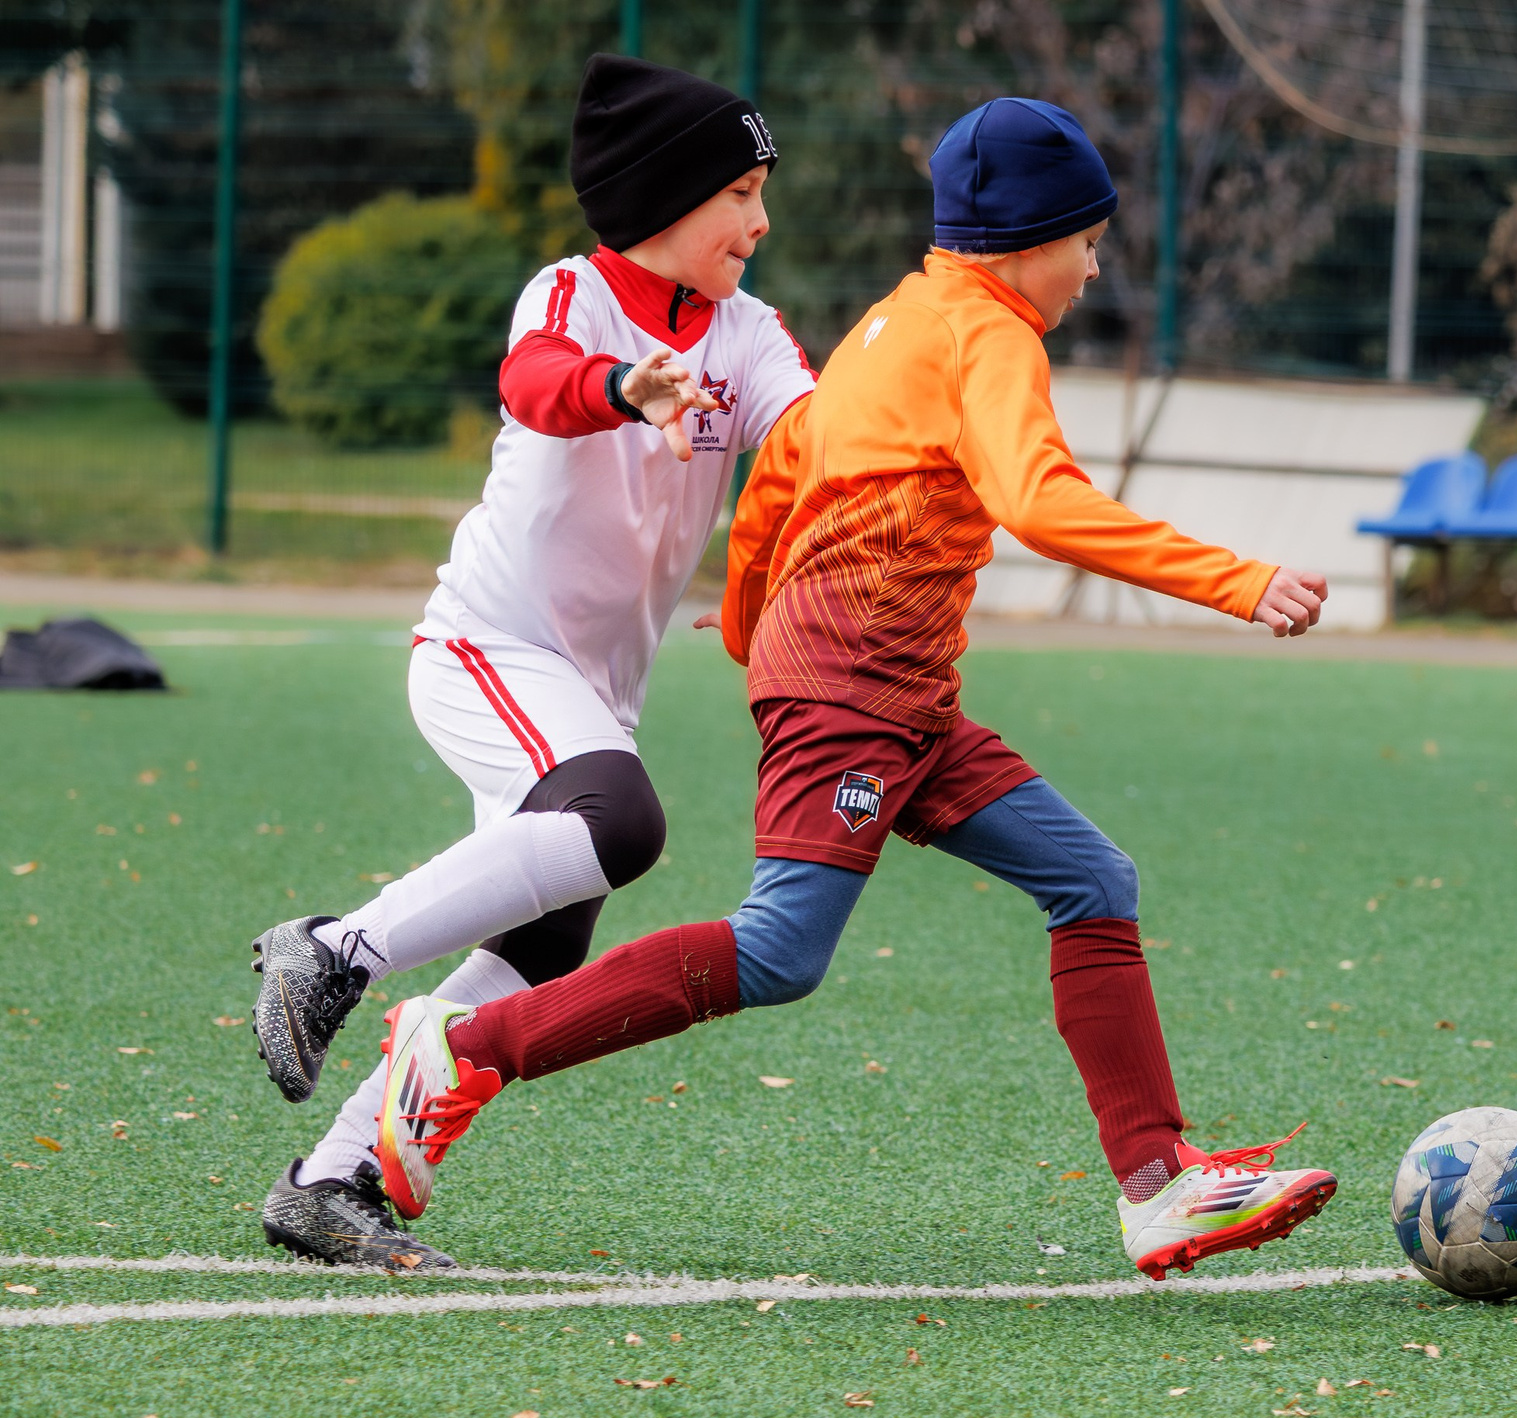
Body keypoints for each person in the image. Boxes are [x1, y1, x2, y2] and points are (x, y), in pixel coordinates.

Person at [364, 97, 1339, 1280]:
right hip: (857, 686)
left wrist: (751, 630)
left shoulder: (900, 319)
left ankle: (1157, 1184)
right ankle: (465, 1045)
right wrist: (1240, 582)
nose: (1092, 268)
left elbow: (784, 473)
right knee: (780, 951)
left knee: (1090, 879)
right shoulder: (989, 335)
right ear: (1028, 241)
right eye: (1087, 241)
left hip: (888, 689)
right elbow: (1038, 500)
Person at [250, 54, 817, 1269]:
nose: (761, 222)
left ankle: (331, 1182)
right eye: (740, 194)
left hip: (587, 691)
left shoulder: (753, 336)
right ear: (666, 197)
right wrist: (627, 385)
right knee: (622, 821)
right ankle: (331, 950)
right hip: (487, 649)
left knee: (549, 936)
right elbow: (538, 385)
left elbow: (818, 437)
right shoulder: (567, 293)